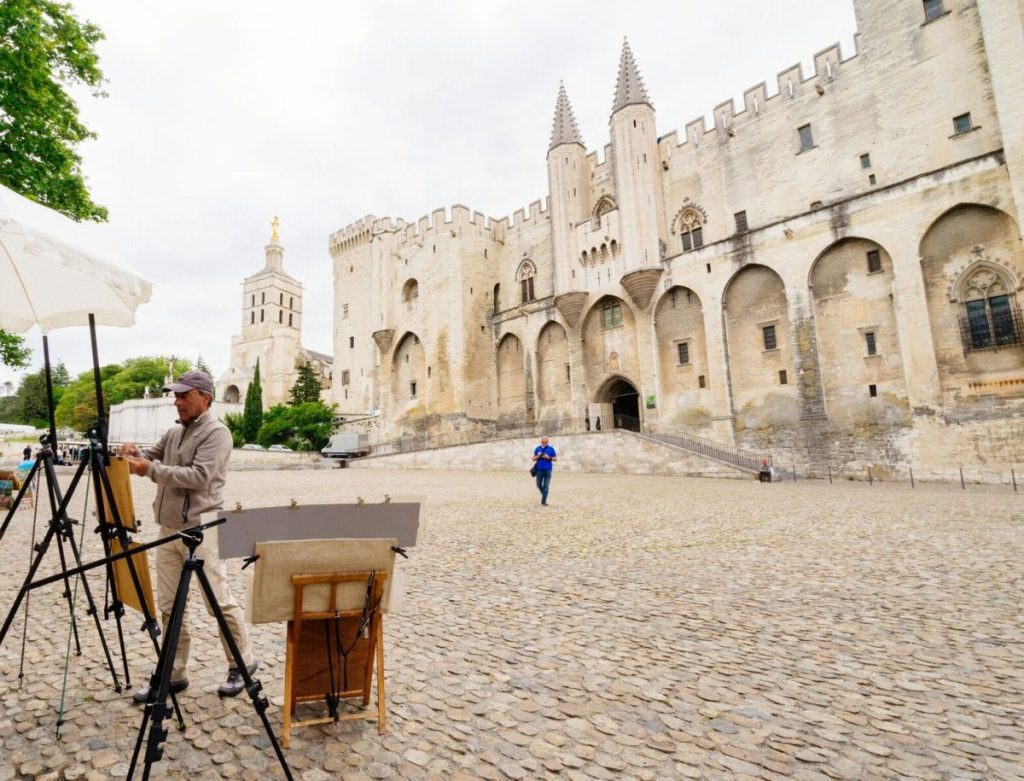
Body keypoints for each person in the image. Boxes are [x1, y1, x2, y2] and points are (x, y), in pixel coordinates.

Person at [122, 370, 257, 702]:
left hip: (202, 531)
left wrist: (147, 470)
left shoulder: (218, 433)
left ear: (205, 398)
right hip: (168, 529)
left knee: (218, 601)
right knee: (169, 607)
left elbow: (198, 476)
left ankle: (243, 663)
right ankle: (174, 672)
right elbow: (149, 458)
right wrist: (132, 454)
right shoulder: (172, 432)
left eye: (184, 396)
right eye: (176, 396)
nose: (177, 401)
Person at [532, 436, 557, 506]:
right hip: (539, 469)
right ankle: (544, 494)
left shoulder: (551, 449)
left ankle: (544, 501)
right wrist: (538, 456)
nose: (544, 443)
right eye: (543, 442)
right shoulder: (537, 448)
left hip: (548, 469)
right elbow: (533, 459)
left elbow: (555, 459)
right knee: (538, 484)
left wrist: (548, 457)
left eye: (545, 442)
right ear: (541, 441)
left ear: (547, 442)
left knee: (546, 486)